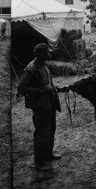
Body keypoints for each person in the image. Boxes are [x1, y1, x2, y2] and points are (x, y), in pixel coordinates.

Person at [17, 43, 65, 171]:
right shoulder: (30, 69)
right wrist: (40, 91)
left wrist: (56, 89)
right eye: (47, 52)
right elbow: (21, 88)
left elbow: (49, 83)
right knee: (41, 133)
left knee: (50, 130)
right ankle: (39, 162)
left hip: (49, 104)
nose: (49, 54)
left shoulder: (43, 65)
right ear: (39, 54)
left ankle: (48, 155)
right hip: (40, 106)